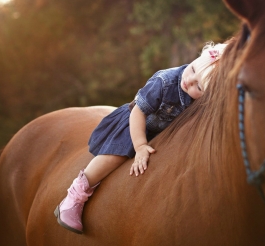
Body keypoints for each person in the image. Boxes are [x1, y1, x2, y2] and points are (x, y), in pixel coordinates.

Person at [54, 42, 228, 234]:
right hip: (135, 125)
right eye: (193, 69)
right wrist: (140, 145)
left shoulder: (198, 99)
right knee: (115, 156)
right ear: (196, 58)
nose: (190, 80)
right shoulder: (165, 81)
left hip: (161, 133)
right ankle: (74, 197)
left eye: (199, 86)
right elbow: (138, 112)